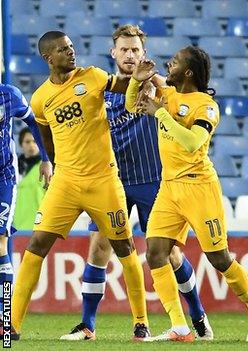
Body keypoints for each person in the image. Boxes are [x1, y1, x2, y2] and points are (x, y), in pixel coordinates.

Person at [59, 24, 213, 342]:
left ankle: (198, 314)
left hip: (153, 181)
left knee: (169, 254)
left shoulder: (158, 86)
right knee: (99, 247)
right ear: (113, 52)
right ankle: (87, 324)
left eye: (135, 50)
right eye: (124, 49)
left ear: (144, 54)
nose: (130, 55)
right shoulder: (99, 88)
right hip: (112, 180)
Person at [10, 31, 149, 341]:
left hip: (104, 180)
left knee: (124, 246)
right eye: (63, 49)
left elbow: (124, 85)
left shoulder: (93, 76)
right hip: (67, 183)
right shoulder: (41, 98)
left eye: (72, 47)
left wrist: (137, 79)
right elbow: (46, 137)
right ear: (49, 58)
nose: (71, 52)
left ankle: (141, 322)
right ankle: (12, 325)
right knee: (36, 245)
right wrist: (53, 163)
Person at [126, 46, 248, 342]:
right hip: (169, 187)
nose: (169, 63)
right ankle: (179, 326)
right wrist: (136, 81)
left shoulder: (206, 106)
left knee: (219, 259)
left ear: (188, 72)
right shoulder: (166, 94)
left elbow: (193, 142)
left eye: (175, 62)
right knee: (155, 253)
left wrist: (161, 115)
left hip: (199, 188)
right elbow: (133, 106)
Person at [0, 85, 51, 321]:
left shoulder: (8, 94)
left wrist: (46, 158)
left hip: (4, 179)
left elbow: (34, 122)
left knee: (0, 243)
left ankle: (4, 315)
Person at [13, 128, 47, 230]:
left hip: (40, 225)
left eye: (35, 141)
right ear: (21, 144)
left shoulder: (47, 168)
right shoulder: (13, 168)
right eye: (27, 142)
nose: (31, 145)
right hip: (16, 225)